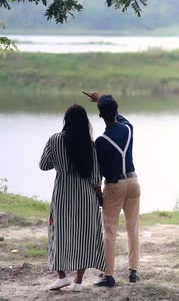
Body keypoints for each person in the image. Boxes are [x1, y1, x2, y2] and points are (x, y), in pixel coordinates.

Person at [40, 104, 105, 292]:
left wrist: (59, 162)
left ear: (66, 121)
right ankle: (78, 281)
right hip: (85, 196)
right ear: (85, 122)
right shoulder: (90, 144)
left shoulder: (54, 140)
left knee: (58, 233)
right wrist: (100, 197)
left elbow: (44, 165)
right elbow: (95, 177)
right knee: (84, 235)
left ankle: (61, 277)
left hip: (62, 195)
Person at [89, 93, 141, 287]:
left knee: (110, 231)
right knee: (132, 227)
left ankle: (108, 275)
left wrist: (98, 193)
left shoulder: (100, 142)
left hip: (114, 185)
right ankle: (133, 271)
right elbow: (120, 117)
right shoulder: (128, 129)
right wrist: (101, 98)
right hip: (133, 181)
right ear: (117, 110)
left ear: (101, 115)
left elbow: (98, 172)